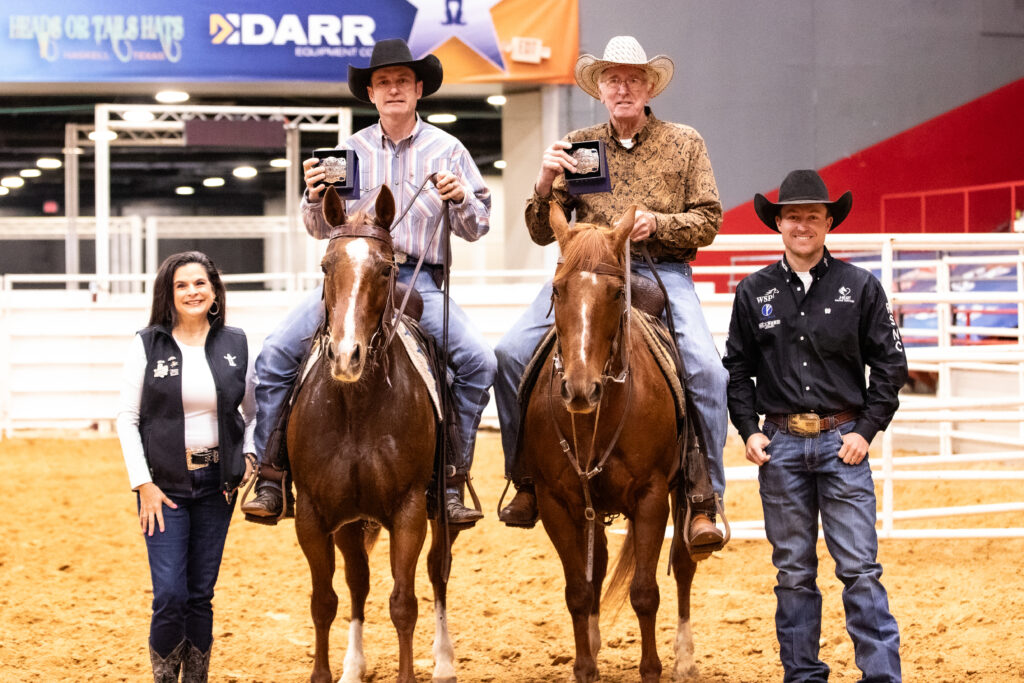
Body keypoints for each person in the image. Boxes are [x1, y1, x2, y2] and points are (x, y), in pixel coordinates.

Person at [241, 38, 494, 525]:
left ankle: (451, 478)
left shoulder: (450, 150)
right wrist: (315, 198)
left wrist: (462, 197)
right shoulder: (347, 152)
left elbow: (477, 226)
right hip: (350, 279)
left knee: (478, 362)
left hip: (420, 283)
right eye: (383, 83)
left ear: (419, 89)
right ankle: (271, 475)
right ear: (371, 95)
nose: (393, 89)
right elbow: (319, 229)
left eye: (402, 81)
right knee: (273, 355)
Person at [494, 35, 728, 546]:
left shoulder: (685, 142)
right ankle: (526, 478)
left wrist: (657, 223)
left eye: (632, 79)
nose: (622, 88)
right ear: (600, 89)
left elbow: (708, 221)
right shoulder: (578, 147)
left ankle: (702, 496)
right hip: (586, 272)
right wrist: (543, 180)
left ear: (648, 88)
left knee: (708, 371)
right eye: (613, 79)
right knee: (509, 353)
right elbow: (540, 230)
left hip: (661, 269)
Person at [723, 169, 907, 682]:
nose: (802, 225)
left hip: (842, 442)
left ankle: (881, 677)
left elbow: (891, 364)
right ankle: (802, 676)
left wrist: (865, 430)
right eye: (792, 216)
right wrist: (748, 428)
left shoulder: (861, 287)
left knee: (859, 570)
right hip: (780, 445)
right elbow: (737, 366)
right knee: (794, 574)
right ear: (777, 223)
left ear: (828, 223)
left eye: (812, 216)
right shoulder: (753, 291)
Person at [116, 251, 256, 682]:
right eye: (182, 285)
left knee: (200, 595)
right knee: (171, 595)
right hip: (164, 490)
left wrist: (248, 455)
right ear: (169, 293)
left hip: (218, 488)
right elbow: (127, 418)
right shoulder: (148, 343)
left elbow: (251, 413)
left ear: (214, 291)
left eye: (200, 283)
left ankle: (196, 678)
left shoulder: (236, 343)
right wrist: (143, 484)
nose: (192, 291)